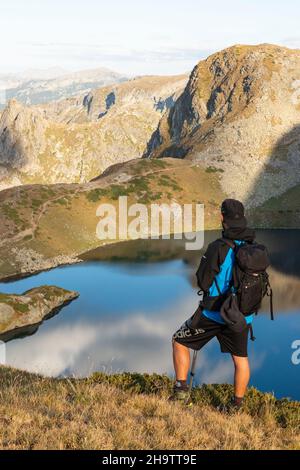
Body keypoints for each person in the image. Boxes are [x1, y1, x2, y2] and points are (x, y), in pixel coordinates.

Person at [171, 199, 256, 410]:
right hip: (241, 316)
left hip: (214, 313)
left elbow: (203, 280)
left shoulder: (219, 247)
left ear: (222, 217)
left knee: (179, 341)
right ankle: (236, 406)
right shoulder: (252, 248)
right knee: (240, 359)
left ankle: (181, 393)